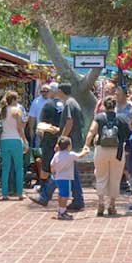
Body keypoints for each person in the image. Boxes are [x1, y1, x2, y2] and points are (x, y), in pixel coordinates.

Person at [36, 82, 84, 210]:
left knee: (59, 170)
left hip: (69, 143)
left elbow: (69, 122)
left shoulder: (68, 103)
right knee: (70, 172)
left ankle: (45, 196)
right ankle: (78, 199)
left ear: (61, 91)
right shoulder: (74, 103)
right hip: (74, 141)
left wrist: (61, 140)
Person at [85, 95, 127, 216]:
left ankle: (100, 203)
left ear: (104, 106)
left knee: (101, 176)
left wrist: (86, 145)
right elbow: (127, 134)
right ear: (115, 106)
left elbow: (91, 131)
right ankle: (112, 205)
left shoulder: (99, 118)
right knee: (115, 178)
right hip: (117, 151)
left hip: (101, 149)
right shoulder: (121, 118)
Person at [0, 90, 28, 200]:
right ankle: (20, 192)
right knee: (19, 168)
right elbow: (20, 128)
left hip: (4, 140)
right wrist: (25, 141)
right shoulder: (16, 110)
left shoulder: (2, 110)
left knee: (5, 168)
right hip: (15, 140)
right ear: (14, 99)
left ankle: (4, 193)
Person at [49, 136, 77, 220]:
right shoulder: (70, 154)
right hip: (65, 178)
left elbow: (52, 165)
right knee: (65, 195)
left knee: (61, 194)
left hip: (58, 177)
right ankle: (63, 212)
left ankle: (60, 210)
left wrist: (54, 172)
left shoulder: (57, 155)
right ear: (69, 146)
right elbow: (79, 156)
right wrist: (85, 151)